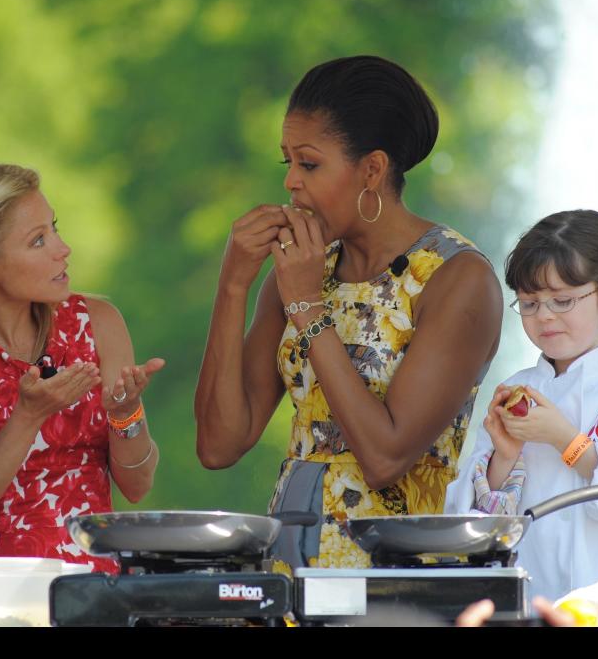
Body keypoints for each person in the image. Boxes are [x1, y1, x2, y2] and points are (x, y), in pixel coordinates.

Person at [194, 56, 502, 572]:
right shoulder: (302, 271)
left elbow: (385, 459)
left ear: (373, 170)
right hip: (288, 567)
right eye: (286, 163)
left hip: (393, 580)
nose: (291, 182)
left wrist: (309, 311)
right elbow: (219, 444)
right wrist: (233, 285)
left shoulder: (456, 278)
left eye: (309, 164)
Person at [0, 161, 162, 574]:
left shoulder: (97, 323)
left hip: (96, 592)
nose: (63, 248)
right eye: (38, 240)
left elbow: (137, 486)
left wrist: (124, 415)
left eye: (54, 228)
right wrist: (28, 416)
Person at [445, 209, 598, 601]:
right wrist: (503, 459)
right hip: (528, 602)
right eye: (529, 303)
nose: (545, 317)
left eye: (562, 300)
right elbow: (476, 521)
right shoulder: (517, 388)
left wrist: (566, 441)